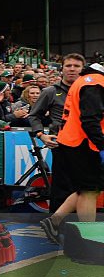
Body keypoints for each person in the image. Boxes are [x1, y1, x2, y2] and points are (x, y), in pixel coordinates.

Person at [39, 62, 104, 244]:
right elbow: (90, 119)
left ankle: (54, 220)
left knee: (86, 189)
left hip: (74, 142)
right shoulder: (94, 83)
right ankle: (89, 239)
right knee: (89, 190)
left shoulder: (85, 81)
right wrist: (102, 145)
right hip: (83, 143)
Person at [29, 53, 85, 212]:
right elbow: (34, 115)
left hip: (86, 145)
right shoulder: (50, 91)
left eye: (76, 66)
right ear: (62, 69)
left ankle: (79, 226)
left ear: (82, 69)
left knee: (84, 189)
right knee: (62, 187)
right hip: (61, 145)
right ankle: (57, 227)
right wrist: (41, 135)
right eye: (68, 66)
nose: (72, 69)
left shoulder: (89, 91)